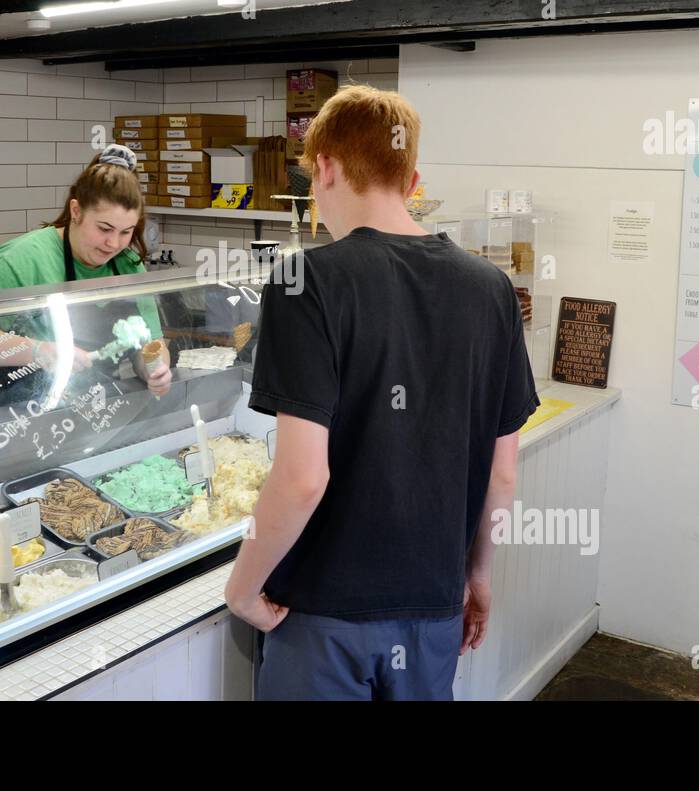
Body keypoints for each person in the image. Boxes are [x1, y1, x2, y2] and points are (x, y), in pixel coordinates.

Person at [224, 85, 539, 700]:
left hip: (322, 618)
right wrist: (477, 577)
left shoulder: (302, 280)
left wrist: (243, 588)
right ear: (413, 179)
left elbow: (301, 478)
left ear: (324, 168)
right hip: (433, 609)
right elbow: (503, 474)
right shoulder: (492, 288)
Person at [0, 145, 172, 409]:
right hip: (16, 414)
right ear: (76, 211)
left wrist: (155, 370)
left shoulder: (128, 266)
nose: (113, 244)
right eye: (104, 228)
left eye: (126, 232)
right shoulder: (22, 259)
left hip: (95, 409)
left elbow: (149, 344)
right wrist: (38, 351)